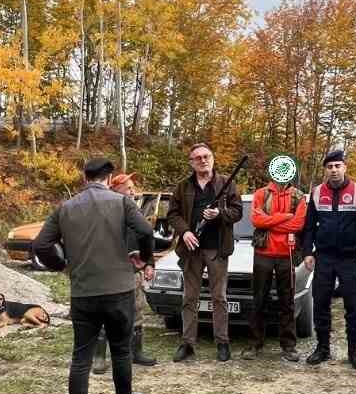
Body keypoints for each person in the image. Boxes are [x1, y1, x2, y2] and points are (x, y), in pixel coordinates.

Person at [33, 156, 156, 394]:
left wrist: (62, 265)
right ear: (108, 176)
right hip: (119, 290)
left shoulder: (66, 207)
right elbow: (147, 232)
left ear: (84, 178)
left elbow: (39, 245)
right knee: (121, 351)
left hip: (83, 293)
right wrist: (145, 258)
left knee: (80, 358)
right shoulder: (122, 202)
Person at [301, 148, 356, 369]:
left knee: (354, 306)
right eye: (330, 167)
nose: (334, 170)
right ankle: (322, 349)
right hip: (324, 257)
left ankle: (354, 351)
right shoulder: (316, 193)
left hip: (350, 258)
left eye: (338, 166)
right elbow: (307, 227)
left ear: (345, 167)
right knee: (321, 304)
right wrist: (308, 252)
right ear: (325, 169)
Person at [166, 142, 242, 363]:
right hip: (191, 250)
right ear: (191, 162)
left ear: (213, 158)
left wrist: (219, 213)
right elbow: (173, 214)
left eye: (206, 156)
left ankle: (222, 342)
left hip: (217, 249)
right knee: (189, 298)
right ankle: (188, 343)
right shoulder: (183, 186)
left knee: (219, 297)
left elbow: (237, 212)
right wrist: (185, 231)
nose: (202, 160)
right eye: (197, 157)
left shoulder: (226, 184)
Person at [92, 171, 159, 372]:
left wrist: (149, 263)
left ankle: (135, 353)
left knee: (137, 310)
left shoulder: (136, 211)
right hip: (108, 272)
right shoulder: (102, 211)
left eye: (132, 188)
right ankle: (99, 357)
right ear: (114, 189)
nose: (132, 191)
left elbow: (147, 237)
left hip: (133, 272)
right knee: (105, 314)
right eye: (128, 187)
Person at [248, 169, 307, 361]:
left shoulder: (299, 197)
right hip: (263, 253)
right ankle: (255, 344)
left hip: (287, 255)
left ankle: (288, 346)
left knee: (287, 301)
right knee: (258, 300)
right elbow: (256, 220)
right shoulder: (261, 194)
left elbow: (297, 225)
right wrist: (284, 217)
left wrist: (269, 222)